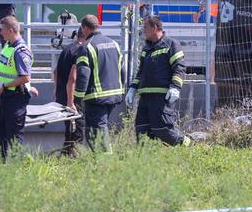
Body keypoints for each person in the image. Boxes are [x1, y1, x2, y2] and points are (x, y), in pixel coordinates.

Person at [125, 16, 191, 146]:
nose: (143, 31)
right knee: (141, 130)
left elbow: (179, 67)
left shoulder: (171, 44)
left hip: (161, 97)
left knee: (162, 129)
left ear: (155, 28)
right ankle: (146, 160)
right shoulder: (146, 48)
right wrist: (133, 88)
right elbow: (141, 71)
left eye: (145, 28)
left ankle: (187, 144)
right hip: (145, 97)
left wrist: (175, 87)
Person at [74, 15, 124, 153]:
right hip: (114, 95)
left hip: (96, 98)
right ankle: (102, 160)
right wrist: (122, 89)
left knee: (97, 132)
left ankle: (106, 164)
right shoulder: (114, 44)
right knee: (95, 131)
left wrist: (77, 98)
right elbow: (122, 69)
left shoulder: (85, 47)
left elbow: (83, 75)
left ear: (84, 28)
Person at [0, 15, 33, 158]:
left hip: (15, 97)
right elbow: (8, 68)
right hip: (5, 96)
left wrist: (5, 85)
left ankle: (18, 168)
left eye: (2, 30)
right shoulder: (8, 46)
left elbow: (25, 77)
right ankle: (2, 166)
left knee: (14, 136)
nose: (1, 33)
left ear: (10, 30)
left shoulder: (21, 50)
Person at [55, 27, 86, 157]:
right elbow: (73, 78)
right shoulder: (80, 51)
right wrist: (71, 101)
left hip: (62, 95)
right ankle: (72, 158)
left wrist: (56, 92)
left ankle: (64, 156)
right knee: (77, 130)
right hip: (71, 97)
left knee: (70, 129)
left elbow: (55, 72)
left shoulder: (67, 49)